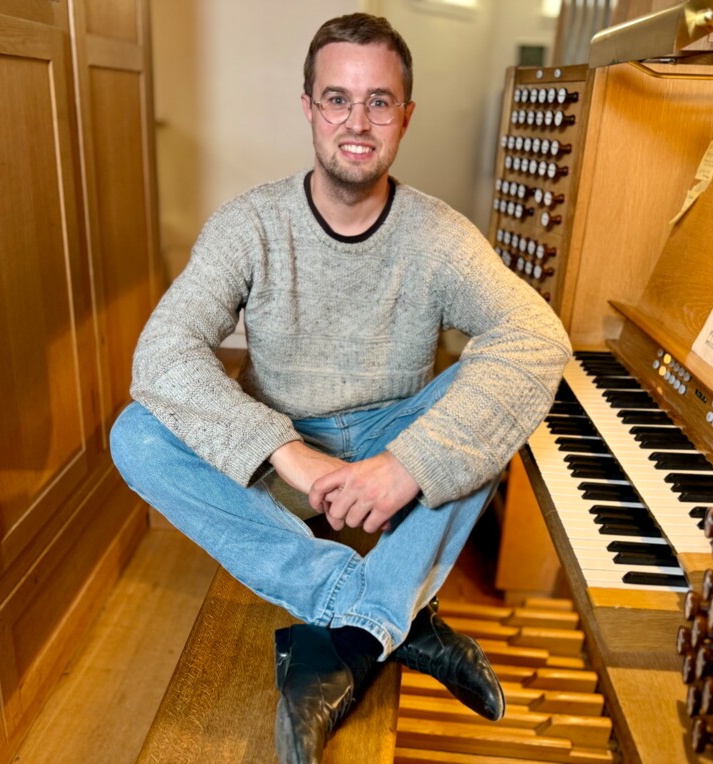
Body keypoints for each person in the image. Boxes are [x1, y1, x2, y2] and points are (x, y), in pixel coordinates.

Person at [110, 12, 571, 763]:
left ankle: (345, 642)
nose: (357, 122)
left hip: (392, 457)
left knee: (502, 399)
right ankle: (384, 620)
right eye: (337, 98)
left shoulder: (439, 235)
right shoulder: (249, 225)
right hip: (285, 468)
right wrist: (288, 452)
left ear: (405, 116)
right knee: (135, 435)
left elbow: (538, 337)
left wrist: (408, 465)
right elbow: (161, 353)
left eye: (379, 101)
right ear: (309, 108)